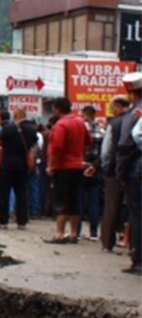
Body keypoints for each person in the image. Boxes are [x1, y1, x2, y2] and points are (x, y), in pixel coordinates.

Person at [45, 97, 92, 244]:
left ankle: (59, 233)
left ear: (57, 109)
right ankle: (73, 233)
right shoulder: (80, 122)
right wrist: (78, 154)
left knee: (61, 200)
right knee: (74, 199)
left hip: (63, 166)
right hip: (78, 166)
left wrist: (51, 165)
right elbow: (88, 142)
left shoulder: (61, 125)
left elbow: (56, 147)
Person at [116, 72, 142, 275]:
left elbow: (125, 145)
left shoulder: (134, 115)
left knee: (137, 214)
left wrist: (121, 172)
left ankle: (138, 259)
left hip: (136, 171)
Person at [0, 108, 38, 230]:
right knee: (22, 193)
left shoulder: (8, 128)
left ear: (15, 116)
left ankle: (3, 221)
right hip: (23, 165)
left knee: (4, 193)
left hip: (7, 165)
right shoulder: (31, 129)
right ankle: (22, 222)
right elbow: (35, 145)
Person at [101, 96, 131, 252]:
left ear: (118, 107)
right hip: (133, 170)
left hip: (114, 170)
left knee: (111, 207)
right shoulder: (135, 119)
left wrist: (105, 167)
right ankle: (132, 242)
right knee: (134, 208)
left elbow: (106, 150)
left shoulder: (114, 124)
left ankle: (107, 243)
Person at [76, 105, 104, 241]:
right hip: (95, 168)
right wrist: (95, 165)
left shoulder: (79, 129)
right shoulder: (100, 130)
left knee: (79, 199)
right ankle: (93, 232)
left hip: (80, 166)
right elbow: (104, 152)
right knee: (94, 200)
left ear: (83, 114)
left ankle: (77, 230)